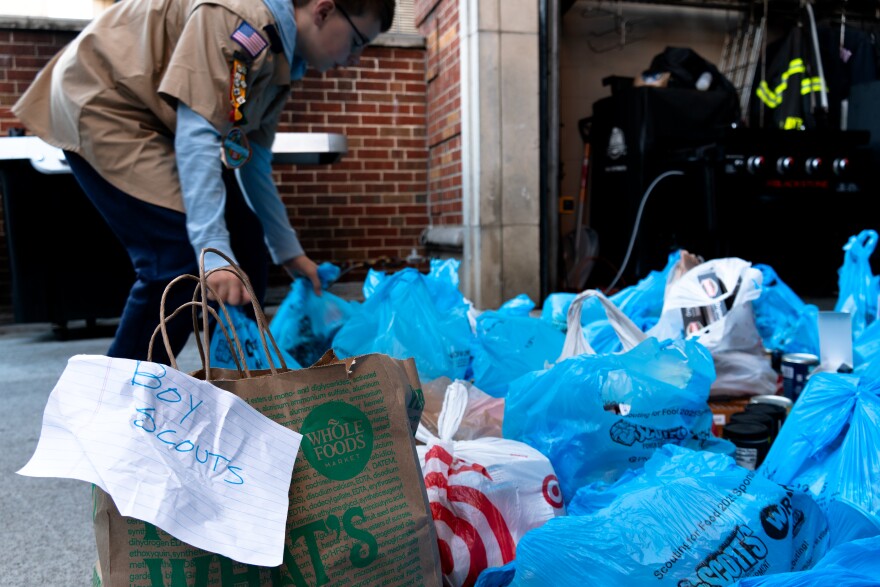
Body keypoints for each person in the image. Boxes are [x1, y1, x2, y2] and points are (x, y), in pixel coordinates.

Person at [13, 0, 395, 363]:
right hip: (106, 101)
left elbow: (254, 160)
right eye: (358, 42)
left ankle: (243, 384)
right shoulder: (239, 20)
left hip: (156, 118)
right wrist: (211, 251)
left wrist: (288, 252)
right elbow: (198, 134)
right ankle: (116, 407)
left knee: (244, 246)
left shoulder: (282, 59)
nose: (353, 59)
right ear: (324, 10)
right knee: (178, 261)